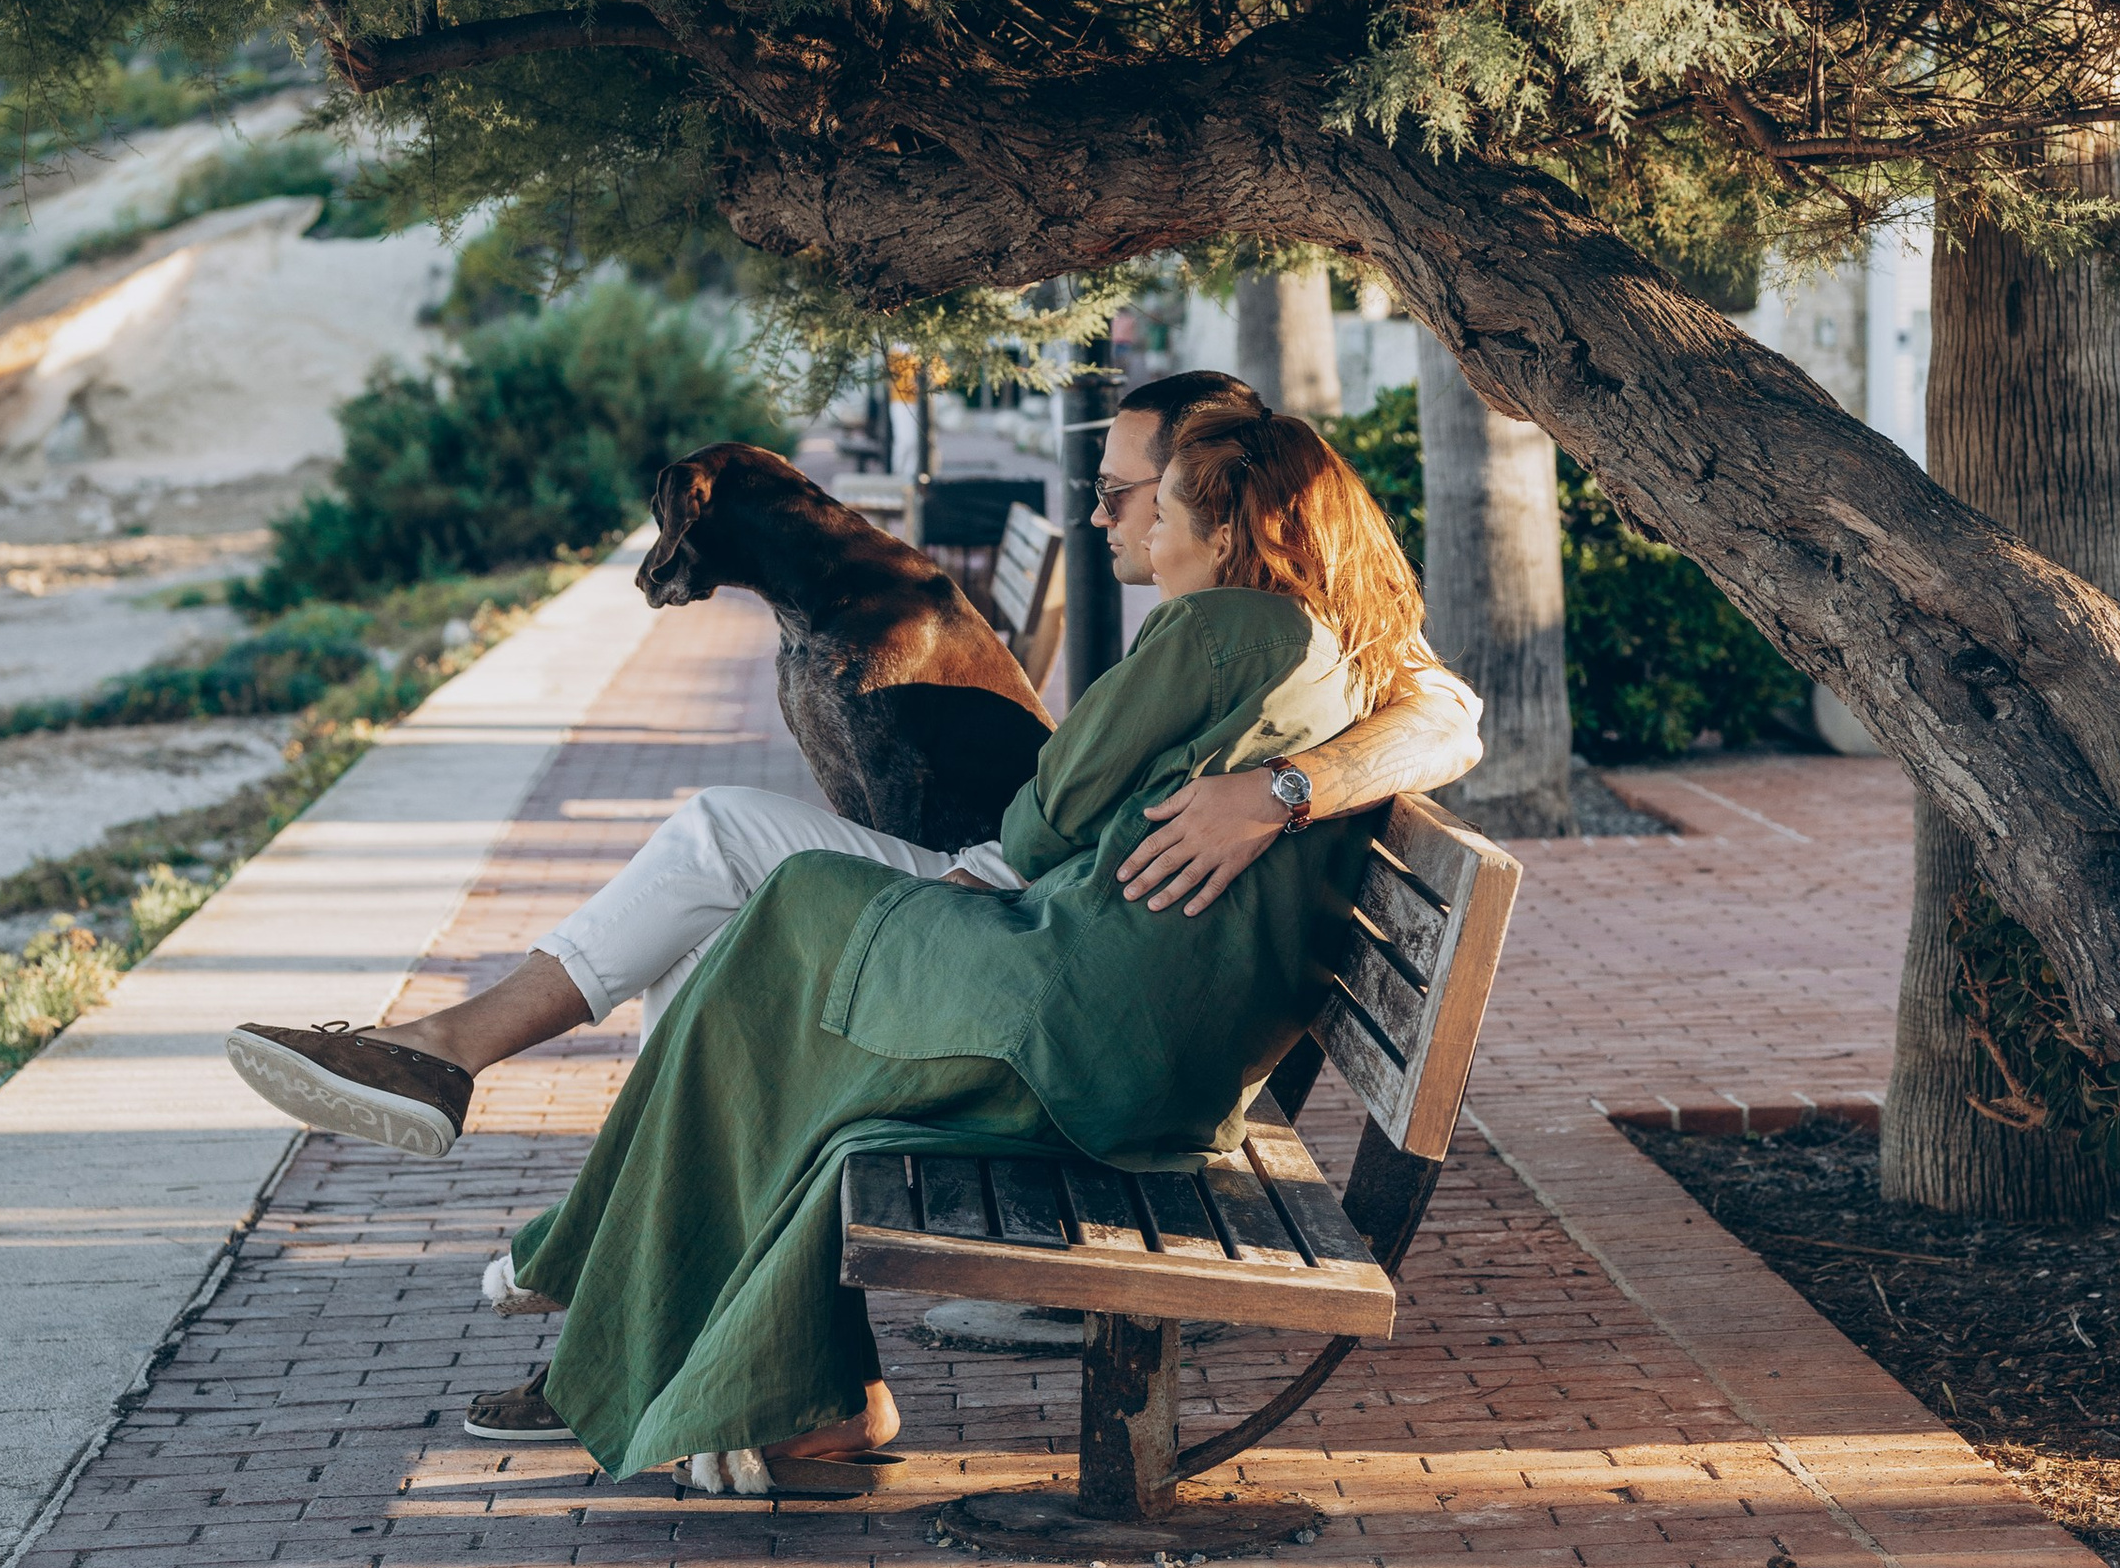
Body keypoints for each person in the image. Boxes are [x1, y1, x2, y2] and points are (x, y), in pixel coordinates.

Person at [391, 404, 1431, 1485]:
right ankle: (686, 1319)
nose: (1130, 522)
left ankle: (619, 1271)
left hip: (1082, 1024)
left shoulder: (1225, 624)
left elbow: (1053, 804)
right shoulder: (1320, 641)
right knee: (780, 957)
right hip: (1140, 1038)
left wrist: (1033, 837)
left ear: (1224, 534)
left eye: (1151, 505)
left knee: (786, 920)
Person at [224, 369, 1481, 1163]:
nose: (1109, 518)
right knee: (711, 915)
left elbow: (1452, 718)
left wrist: (1278, 793)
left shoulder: (1269, 627)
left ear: (1219, 498)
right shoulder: (1287, 624)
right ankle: (596, 1218)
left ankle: (459, 1059)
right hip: (1070, 920)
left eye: (1127, 495)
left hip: (1044, 935)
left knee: (718, 841)